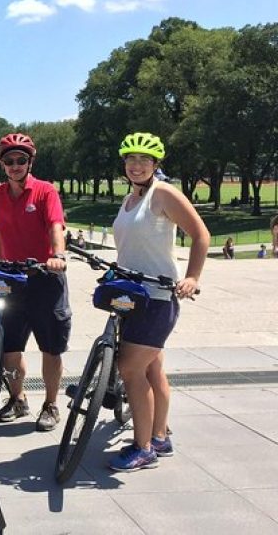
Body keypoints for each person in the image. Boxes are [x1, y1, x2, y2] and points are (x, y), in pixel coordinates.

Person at [109, 132, 209, 472]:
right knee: (152, 368)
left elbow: (200, 234)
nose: (136, 165)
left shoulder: (162, 193)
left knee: (130, 369)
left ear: (155, 164)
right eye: (130, 160)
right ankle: (160, 435)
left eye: (144, 160)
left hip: (157, 297)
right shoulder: (130, 198)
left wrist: (193, 276)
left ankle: (143, 448)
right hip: (131, 294)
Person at [0, 133, 71, 432]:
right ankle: (17, 398)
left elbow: (55, 226)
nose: (15, 165)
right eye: (9, 161)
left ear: (29, 161)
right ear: (2, 164)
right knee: (10, 348)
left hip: (45, 278)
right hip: (12, 281)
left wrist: (58, 255)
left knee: (51, 348)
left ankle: (50, 404)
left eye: (20, 160)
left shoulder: (45, 191)